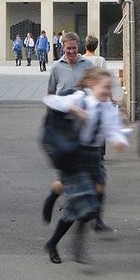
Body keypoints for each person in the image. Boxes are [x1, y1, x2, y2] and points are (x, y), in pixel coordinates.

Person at [42, 68, 128, 264]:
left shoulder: (108, 108)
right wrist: (72, 108)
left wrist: (118, 140)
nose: (108, 91)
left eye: (110, 88)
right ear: (92, 85)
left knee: (87, 202)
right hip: (76, 155)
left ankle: (55, 243)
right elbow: (49, 100)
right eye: (105, 87)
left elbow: (113, 129)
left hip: (93, 157)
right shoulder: (81, 98)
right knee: (86, 206)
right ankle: (73, 247)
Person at [41, 33, 95, 223]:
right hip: (63, 123)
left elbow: (95, 89)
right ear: (62, 47)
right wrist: (48, 120)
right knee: (69, 166)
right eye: (68, 48)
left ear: (78, 46)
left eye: (74, 47)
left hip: (82, 121)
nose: (71, 51)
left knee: (85, 163)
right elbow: (50, 93)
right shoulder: (56, 68)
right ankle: (63, 197)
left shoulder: (88, 66)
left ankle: (80, 201)